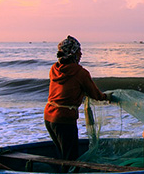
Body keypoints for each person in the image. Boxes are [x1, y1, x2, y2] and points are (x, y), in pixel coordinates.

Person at [44, 35, 110, 163]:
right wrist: (107, 97)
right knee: (71, 158)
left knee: (62, 153)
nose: (81, 54)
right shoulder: (80, 73)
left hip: (49, 117)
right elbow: (96, 95)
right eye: (79, 51)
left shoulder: (54, 69)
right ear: (72, 54)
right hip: (64, 119)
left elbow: (68, 88)